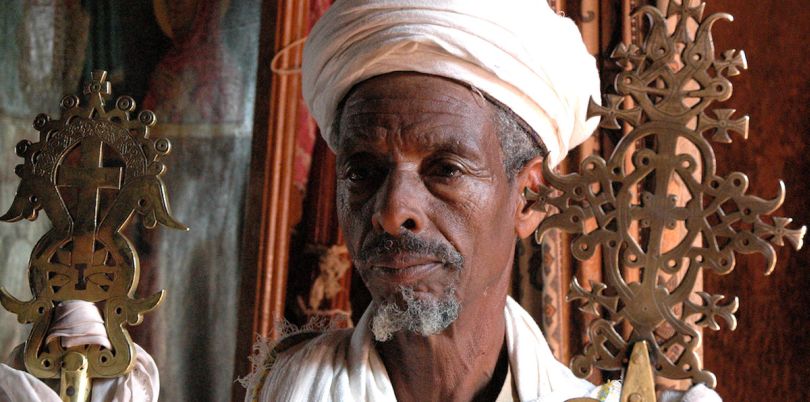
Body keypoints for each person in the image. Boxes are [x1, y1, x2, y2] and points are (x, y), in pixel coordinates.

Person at [244, 1, 722, 401]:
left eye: (445, 170)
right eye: (364, 173)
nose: (392, 212)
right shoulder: (279, 387)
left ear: (530, 199)